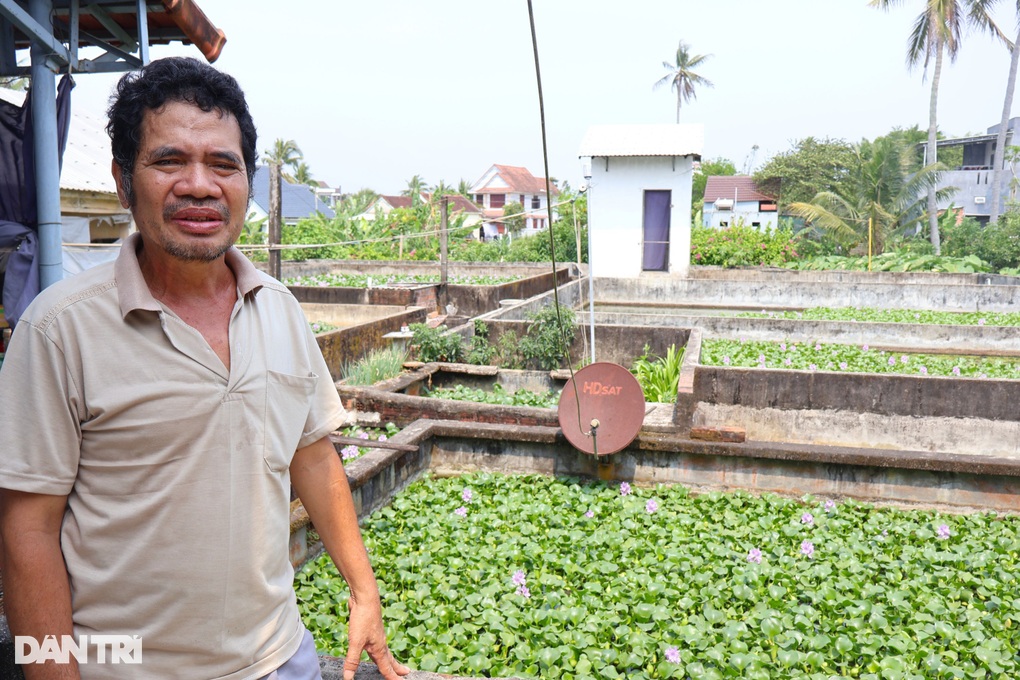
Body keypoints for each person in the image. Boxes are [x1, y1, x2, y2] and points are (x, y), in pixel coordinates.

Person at [0, 56, 409, 680]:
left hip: (280, 658)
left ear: (246, 179)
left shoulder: (280, 309)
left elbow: (313, 453)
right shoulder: (59, 329)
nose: (200, 185)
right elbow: (27, 528)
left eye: (224, 164)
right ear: (122, 180)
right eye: (169, 161)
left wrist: (363, 590)